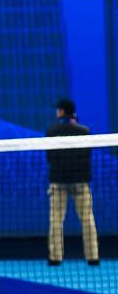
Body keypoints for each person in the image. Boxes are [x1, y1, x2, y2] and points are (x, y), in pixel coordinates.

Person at [46, 98, 100, 266]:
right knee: (87, 219)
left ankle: (55, 257)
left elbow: (49, 157)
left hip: (59, 182)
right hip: (80, 182)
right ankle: (93, 257)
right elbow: (87, 156)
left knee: (56, 220)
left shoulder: (52, 131)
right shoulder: (85, 131)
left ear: (62, 112)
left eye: (58, 110)